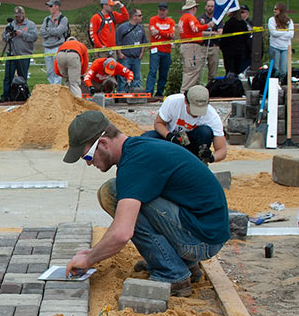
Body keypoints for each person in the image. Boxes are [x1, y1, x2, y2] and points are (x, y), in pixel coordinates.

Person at [63, 110, 229, 297]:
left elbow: (122, 233)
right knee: (115, 191)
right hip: (204, 231)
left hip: (201, 241)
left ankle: (172, 273)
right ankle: (182, 264)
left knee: (115, 193)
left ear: (103, 143)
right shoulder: (138, 148)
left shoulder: (135, 164)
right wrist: (91, 254)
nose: (88, 163)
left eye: (87, 157)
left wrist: (89, 258)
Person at [141, 85, 227, 163]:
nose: (197, 114)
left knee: (205, 131)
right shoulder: (173, 102)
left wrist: (211, 157)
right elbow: (158, 123)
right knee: (146, 139)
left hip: (192, 146)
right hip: (170, 140)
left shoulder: (212, 116)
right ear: (186, 101)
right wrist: (169, 136)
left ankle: (197, 163)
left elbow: (222, 150)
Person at [0, 6, 37, 102]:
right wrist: (10, 34)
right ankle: (6, 95)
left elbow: (34, 37)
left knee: (22, 76)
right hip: (11, 54)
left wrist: (22, 34)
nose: (17, 18)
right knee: (8, 76)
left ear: (23, 14)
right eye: (16, 16)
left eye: (19, 16)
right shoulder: (11, 24)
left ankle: (23, 94)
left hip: (24, 55)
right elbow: (4, 37)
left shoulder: (30, 25)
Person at [177, 0, 211, 92]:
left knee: (188, 69)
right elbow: (195, 29)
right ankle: (185, 91)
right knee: (192, 70)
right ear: (193, 8)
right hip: (192, 47)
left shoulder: (182, 18)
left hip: (186, 45)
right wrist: (207, 26)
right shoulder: (190, 17)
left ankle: (189, 91)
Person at [146, 3, 175, 98]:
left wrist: (160, 32)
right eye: (160, 10)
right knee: (152, 71)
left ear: (167, 11)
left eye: (164, 10)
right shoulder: (153, 20)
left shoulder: (171, 21)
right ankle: (149, 92)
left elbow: (171, 34)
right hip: (155, 49)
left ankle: (159, 93)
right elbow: (154, 33)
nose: (162, 12)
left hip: (167, 51)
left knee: (164, 73)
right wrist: (164, 34)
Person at [114, 8, 146, 92]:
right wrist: (119, 53)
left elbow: (144, 41)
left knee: (137, 78)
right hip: (125, 57)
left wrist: (142, 53)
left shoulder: (141, 28)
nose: (141, 17)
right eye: (139, 15)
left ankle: (136, 94)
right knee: (123, 78)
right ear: (134, 16)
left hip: (136, 58)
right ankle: (122, 94)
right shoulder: (122, 28)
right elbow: (117, 41)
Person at [40, 0, 69, 85]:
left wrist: (48, 30)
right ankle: (51, 87)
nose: (49, 8)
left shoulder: (63, 19)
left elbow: (59, 31)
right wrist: (52, 31)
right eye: (48, 6)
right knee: (49, 71)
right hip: (47, 48)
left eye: (51, 6)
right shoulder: (46, 19)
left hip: (58, 47)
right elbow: (42, 32)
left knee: (57, 71)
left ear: (57, 7)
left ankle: (57, 87)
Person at [220, 5, 252, 76]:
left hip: (229, 51)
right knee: (237, 71)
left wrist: (222, 47)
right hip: (240, 51)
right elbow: (246, 37)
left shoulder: (229, 23)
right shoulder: (243, 24)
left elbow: (224, 38)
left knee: (229, 71)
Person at [197, 0, 221, 83]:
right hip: (202, 47)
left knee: (213, 72)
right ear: (205, 7)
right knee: (198, 70)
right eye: (209, 6)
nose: (210, 8)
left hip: (214, 47)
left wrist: (206, 33)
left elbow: (219, 33)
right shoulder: (200, 19)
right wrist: (212, 33)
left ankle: (211, 89)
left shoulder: (218, 19)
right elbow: (198, 33)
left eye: (212, 6)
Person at [268, 2, 294, 79]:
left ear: (281, 10)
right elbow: (273, 33)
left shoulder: (289, 21)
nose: (274, 10)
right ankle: (274, 84)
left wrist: (279, 33)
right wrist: (285, 32)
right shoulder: (271, 20)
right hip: (274, 47)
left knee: (284, 71)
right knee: (276, 70)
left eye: (276, 9)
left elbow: (291, 34)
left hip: (285, 48)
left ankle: (281, 84)